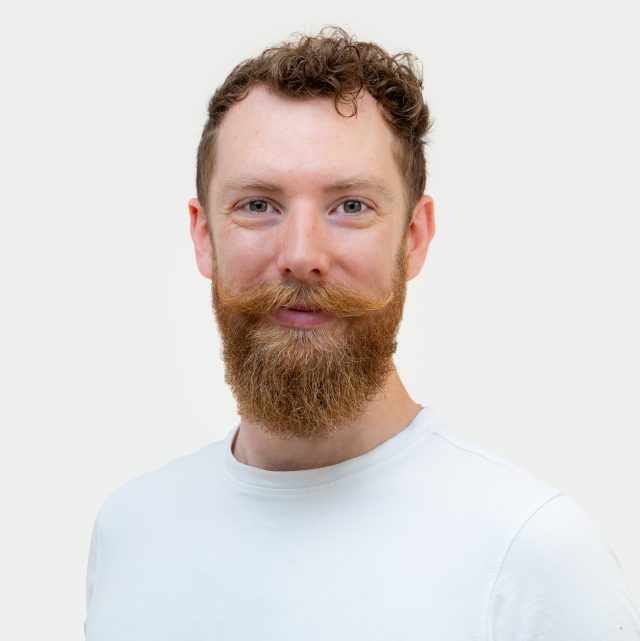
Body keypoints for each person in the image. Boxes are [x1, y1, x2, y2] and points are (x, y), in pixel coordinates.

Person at [84, 27, 640, 640]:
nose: (302, 255)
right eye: (258, 205)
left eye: (351, 206)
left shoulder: (530, 554)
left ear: (414, 238)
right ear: (203, 237)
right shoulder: (131, 531)